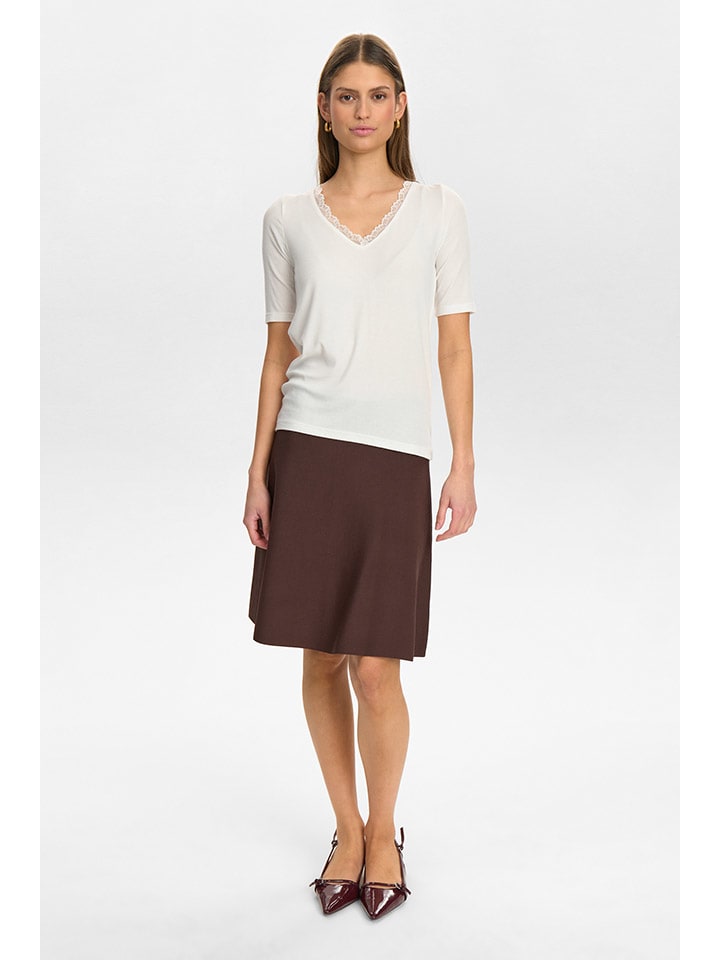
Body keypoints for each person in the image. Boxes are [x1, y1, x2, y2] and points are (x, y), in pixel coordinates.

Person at [243, 33, 477, 921]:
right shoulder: (286, 219)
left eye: (379, 95)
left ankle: (386, 830)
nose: (364, 110)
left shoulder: (439, 210)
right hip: (307, 450)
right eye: (348, 95)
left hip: (394, 458)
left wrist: (462, 462)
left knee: (377, 669)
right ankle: (346, 830)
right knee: (320, 655)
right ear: (324, 108)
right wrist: (258, 472)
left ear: (401, 106)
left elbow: (454, 346)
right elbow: (278, 355)